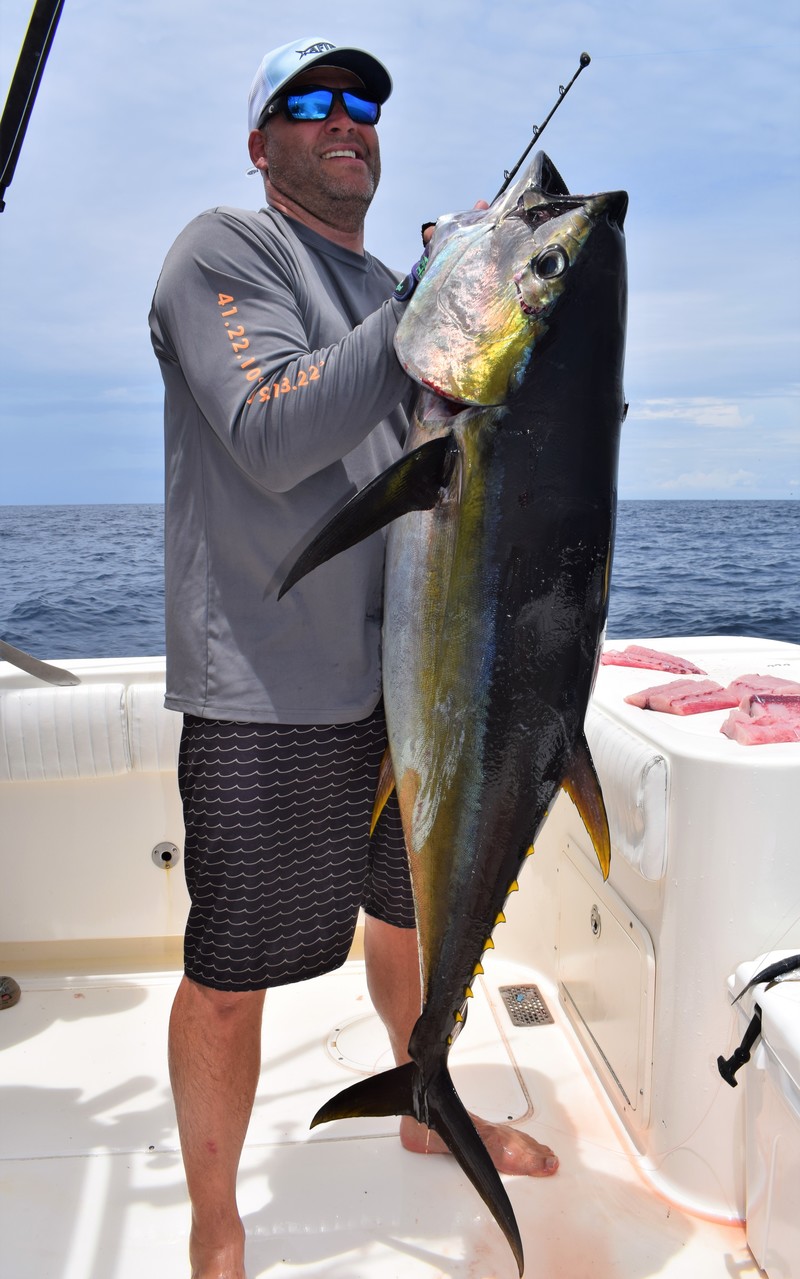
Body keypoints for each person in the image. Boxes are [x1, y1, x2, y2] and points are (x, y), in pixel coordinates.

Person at [149, 36, 558, 1279]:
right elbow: (271, 436)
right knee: (232, 975)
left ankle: (426, 1096)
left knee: (410, 916)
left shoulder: (395, 281)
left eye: (365, 104)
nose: (348, 120)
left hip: (416, 680)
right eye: (312, 101)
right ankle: (217, 1228)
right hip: (268, 693)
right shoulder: (224, 252)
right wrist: (428, 308)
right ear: (262, 140)